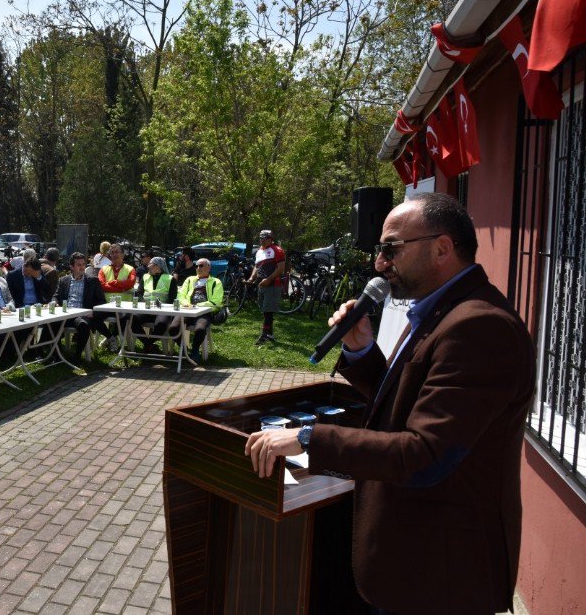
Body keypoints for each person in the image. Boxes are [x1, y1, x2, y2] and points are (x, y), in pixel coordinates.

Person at [243, 193, 535, 614]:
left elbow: (424, 452)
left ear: (442, 248)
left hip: (440, 577)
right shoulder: (441, 312)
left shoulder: (480, 326)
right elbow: (410, 402)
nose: (380, 264)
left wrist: (307, 438)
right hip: (415, 564)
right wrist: (362, 349)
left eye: (391, 248)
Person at [53, 252, 111, 361]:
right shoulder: (64, 280)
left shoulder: (92, 280)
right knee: (51, 324)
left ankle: (77, 355)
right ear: (71, 266)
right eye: (78, 265)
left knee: (84, 325)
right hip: (64, 313)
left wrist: (93, 312)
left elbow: (102, 301)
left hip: (82, 315)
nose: (82, 267)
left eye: (83, 264)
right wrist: (54, 302)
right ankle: (57, 354)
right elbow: (55, 296)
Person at [245, 229, 286, 345]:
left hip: (273, 285)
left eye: (264, 238)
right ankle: (270, 334)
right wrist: (251, 278)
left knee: (268, 311)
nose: (262, 240)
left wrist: (268, 279)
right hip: (261, 284)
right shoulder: (259, 251)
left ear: (270, 239)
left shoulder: (277, 250)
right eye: (260, 238)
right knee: (265, 310)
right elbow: (257, 267)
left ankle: (264, 335)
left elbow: (281, 267)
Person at [177, 258, 222, 358]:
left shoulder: (216, 282)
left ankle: (195, 349)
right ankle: (184, 349)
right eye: (196, 266)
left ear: (208, 267)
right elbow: (181, 295)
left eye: (201, 265)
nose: (198, 268)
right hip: (186, 311)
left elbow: (216, 302)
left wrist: (197, 306)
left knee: (200, 329)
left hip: (204, 313)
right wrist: (186, 304)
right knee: (172, 328)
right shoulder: (189, 280)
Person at [134, 256, 179, 353]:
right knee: (132, 319)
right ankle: (148, 344)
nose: (148, 266)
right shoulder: (145, 277)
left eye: (150, 264)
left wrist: (160, 305)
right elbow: (139, 293)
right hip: (145, 309)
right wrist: (144, 303)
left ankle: (148, 344)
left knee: (161, 324)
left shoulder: (171, 279)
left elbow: (172, 299)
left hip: (163, 310)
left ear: (157, 266)